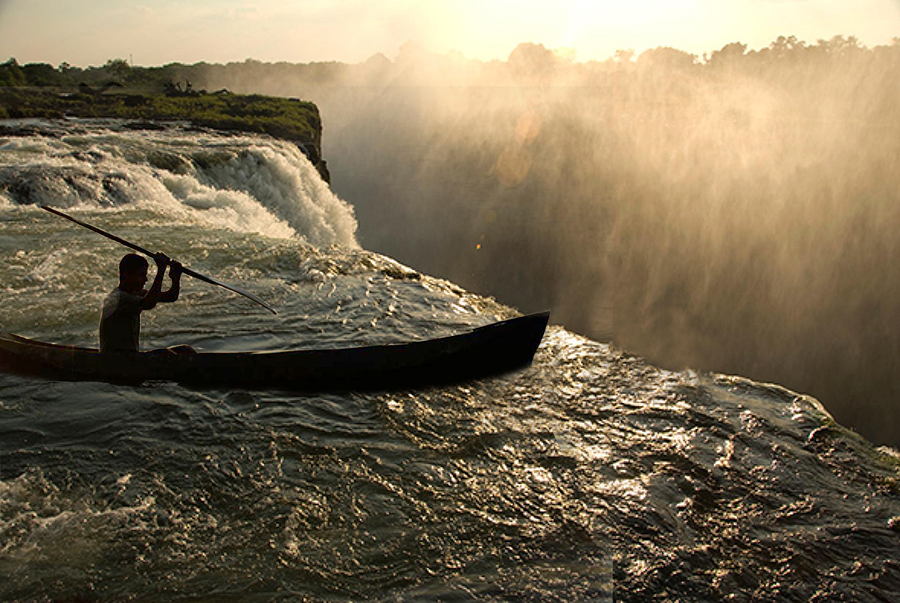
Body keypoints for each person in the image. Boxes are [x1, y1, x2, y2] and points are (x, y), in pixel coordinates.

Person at [99, 252, 194, 354]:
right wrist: (161, 270)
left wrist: (175, 279)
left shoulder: (136, 293)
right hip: (117, 359)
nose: (146, 279)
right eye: (141, 275)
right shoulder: (119, 298)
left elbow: (171, 297)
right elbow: (149, 303)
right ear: (126, 275)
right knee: (168, 355)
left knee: (186, 350)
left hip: (131, 356)